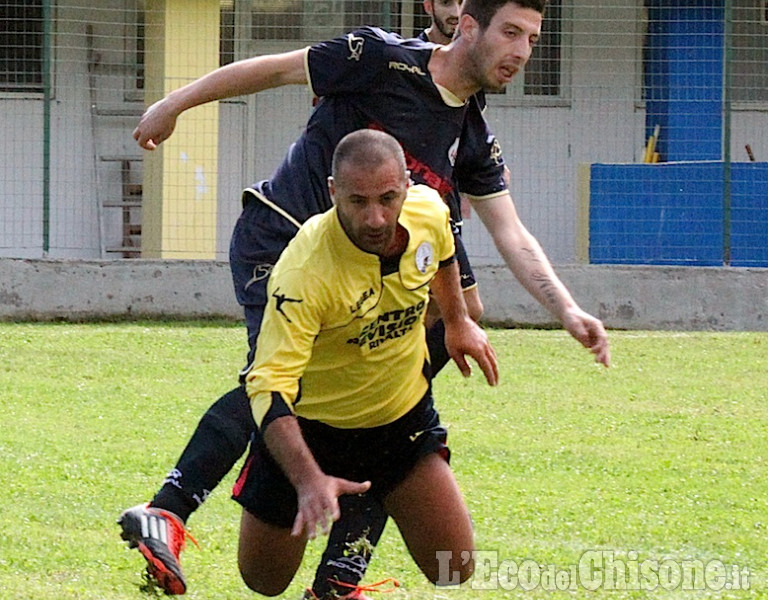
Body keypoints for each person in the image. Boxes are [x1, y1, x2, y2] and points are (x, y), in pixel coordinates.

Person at [119, 0, 611, 597]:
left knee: (402, 371)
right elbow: (275, 69)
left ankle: (339, 571)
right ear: (470, 27)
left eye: (533, 39)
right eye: (511, 33)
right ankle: (168, 509)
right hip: (280, 238)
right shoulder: (380, 59)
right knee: (282, 379)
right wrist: (174, 105)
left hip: (366, 275)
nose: (522, 53)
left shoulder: (472, 134)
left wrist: (566, 309)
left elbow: (509, 232)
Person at [233, 128, 498, 597]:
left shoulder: (427, 209)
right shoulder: (304, 272)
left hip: (399, 421)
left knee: (454, 568)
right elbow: (267, 387)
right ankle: (341, 496)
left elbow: (443, 253)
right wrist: (307, 478)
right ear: (333, 192)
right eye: (357, 201)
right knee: (264, 581)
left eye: (388, 198)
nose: (376, 217)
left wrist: (457, 320)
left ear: (406, 187)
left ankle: (362, 505)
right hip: (312, 432)